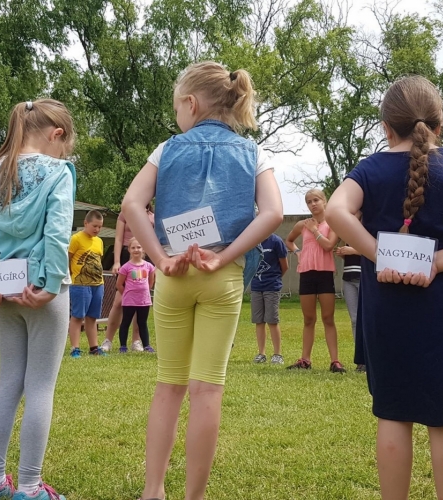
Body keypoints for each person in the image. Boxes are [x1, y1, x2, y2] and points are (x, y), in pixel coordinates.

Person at [326, 75, 443, 500]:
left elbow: (336, 211)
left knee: (393, 414)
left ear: (386, 128)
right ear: (439, 125)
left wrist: (379, 255)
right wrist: (437, 263)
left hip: (387, 308)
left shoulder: (369, 169)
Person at [121, 61, 283, 500]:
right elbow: (273, 213)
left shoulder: (167, 149)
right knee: (207, 389)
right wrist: (225, 256)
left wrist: (159, 258)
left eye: (177, 106)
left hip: (173, 274)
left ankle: (153, 491)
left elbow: (132, 204)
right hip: (222, 275)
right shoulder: (253, 152)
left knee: (168, 385)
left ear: (190, 103)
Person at [0, 99, 75, 500]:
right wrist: (51, 283)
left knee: (9, 380)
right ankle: (29, 488)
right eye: (65, 145)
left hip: (2, 289)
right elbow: (57, 231)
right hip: (44, 289)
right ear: (56, 134)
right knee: (40, 386)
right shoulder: (58, 172)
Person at [285, 189, 345, 373]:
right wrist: (298, 252)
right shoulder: (301, 224)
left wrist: (314, 230)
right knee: (309, 319)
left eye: (316, 200)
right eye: (309, 201)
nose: (313, 204)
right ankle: (305, 360)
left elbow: (329, 245)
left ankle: (335, 361)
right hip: (307, 274)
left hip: (325, 273)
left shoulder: (332, 223)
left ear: (324, 201)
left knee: (328, 318)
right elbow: (289, 241)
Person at [101, 204, 154, 352]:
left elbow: (156, 240)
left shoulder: (152, 217)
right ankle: (108, 339)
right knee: (118, 302)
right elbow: (118, 239)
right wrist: (117, 261)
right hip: (127, 257)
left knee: (140, 303)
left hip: (145, 257)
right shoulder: (125, 214)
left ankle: (136, 341)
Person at [68, 210, 106, 357]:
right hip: (80, 284)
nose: (97, 229)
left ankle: (94, 347)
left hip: (97, 283)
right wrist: (70, 276)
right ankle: (75, 348)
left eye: (99, 227)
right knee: (77, 316)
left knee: (92, 317)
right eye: (94, 226)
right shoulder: (76, 239)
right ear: (86, 223)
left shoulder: (99, 241)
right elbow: (68, 258)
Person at [250, 233, 288, 364]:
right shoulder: (253, 240)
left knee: (272, 320)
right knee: (259, 321)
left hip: (272, 286)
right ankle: (261, 353)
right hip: (256, 286)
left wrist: (274, 278)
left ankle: (277, 354)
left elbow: (285, 266)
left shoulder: (276, 241)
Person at [116, 238, 155, 353]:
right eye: (133, 247)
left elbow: (151, 282)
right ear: (129, 249)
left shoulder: (149, 266)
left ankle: (146, 345)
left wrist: (144, 291)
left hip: (144, 300)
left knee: (142, 323)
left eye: (138, 247)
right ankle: (123, 346)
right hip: (129, 301)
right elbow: (119, 284)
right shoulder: (126, 267)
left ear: (143, 249)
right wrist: (127, 293)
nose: (136, 250)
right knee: (126, 322)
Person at [336, 241, 365, 372]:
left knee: (365, 319)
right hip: (348, 277)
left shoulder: (367, 231)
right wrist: (344, 254)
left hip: (363, 275)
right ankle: (360, 359)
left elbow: (374, 251)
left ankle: (368, 358)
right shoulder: (347, 236)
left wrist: (353, 251)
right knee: (354, 320)